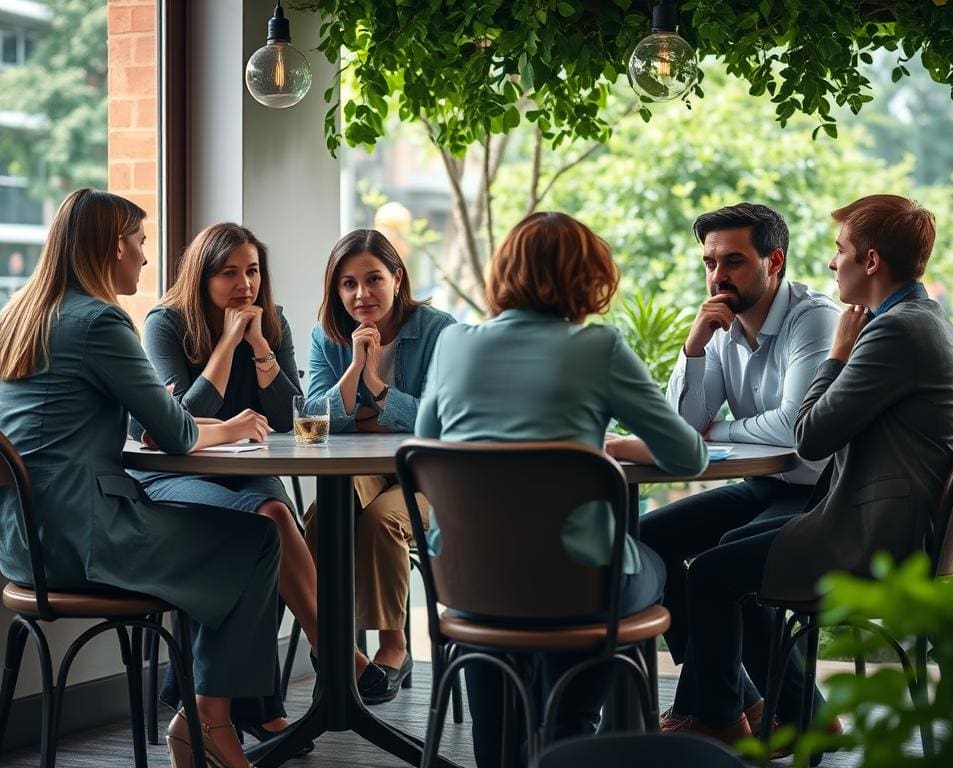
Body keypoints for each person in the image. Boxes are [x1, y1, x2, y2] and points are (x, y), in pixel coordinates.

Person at [415, 211, 709, 768]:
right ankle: (571, 737)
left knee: (504, 607)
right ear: (587, 278)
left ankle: (503, 748)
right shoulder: (597, 348)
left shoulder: (452, 344)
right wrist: (609, 447)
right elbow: (687, 454)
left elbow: (430, 448)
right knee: (648, 564)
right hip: (576, 587)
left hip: (468, 581)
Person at [663, 194, 953, 741]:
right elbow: (686, 424)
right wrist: (696, 349)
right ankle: (772, 716)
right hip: (875, 516)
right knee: (710, 554)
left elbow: (810, 435)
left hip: (870, 531)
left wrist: (837, 354)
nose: (830, 263)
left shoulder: (891, 332)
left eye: (839, 250)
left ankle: (727, 722)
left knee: (712, 571)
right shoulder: (917, 321)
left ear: (869, 261)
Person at [0, 189, 278, 768]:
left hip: (22, 542)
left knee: (233, 534)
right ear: (112, 246)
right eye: (141, 244)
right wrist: (232, 427)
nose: (145, 258)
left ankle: (205, 716)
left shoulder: (22, 314)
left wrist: (182, 418)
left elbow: (134, 420)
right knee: (258, 540)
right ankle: (208, 718)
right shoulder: (100, 322)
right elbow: (175, 433)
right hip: (84, 537)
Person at [615, 203, 839, 734]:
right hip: (764, 485)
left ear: (774, 261)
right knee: (648, 540)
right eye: (710, 262)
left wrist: (719, 430)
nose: (718, 276)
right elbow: (683, 427)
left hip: (820, 493)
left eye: (733, 261)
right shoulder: (720, 323)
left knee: (723, 562)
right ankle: (771, 705)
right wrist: (694, 348)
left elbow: (794, 431)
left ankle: (714, 716)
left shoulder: (815, 319)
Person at [128, 222, 318, 746]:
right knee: (263, 530)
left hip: (243, 471)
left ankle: (244, 706)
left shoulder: (271, 321)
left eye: (252, 270)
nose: (245, 284)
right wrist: (229, 342)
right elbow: (180, 421)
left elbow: (286, 416)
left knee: (274, 521)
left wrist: (259, 344)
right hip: (172, 478)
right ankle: (327, 660)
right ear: (201, 276)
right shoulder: (165, 324)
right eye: (229, 272)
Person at [303, 228, 455, 704]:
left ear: (397, 277)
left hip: (429, 475)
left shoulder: (438, 330)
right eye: (347, 284)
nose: (360, 294)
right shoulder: (326, 337)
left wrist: (376, 391)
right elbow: (316, 419)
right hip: (362, 470)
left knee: (383, 521)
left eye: (373, 279)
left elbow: (442, 420)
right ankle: (333, 643)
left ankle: (395, 646)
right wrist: (353, 369)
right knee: (319, 519)